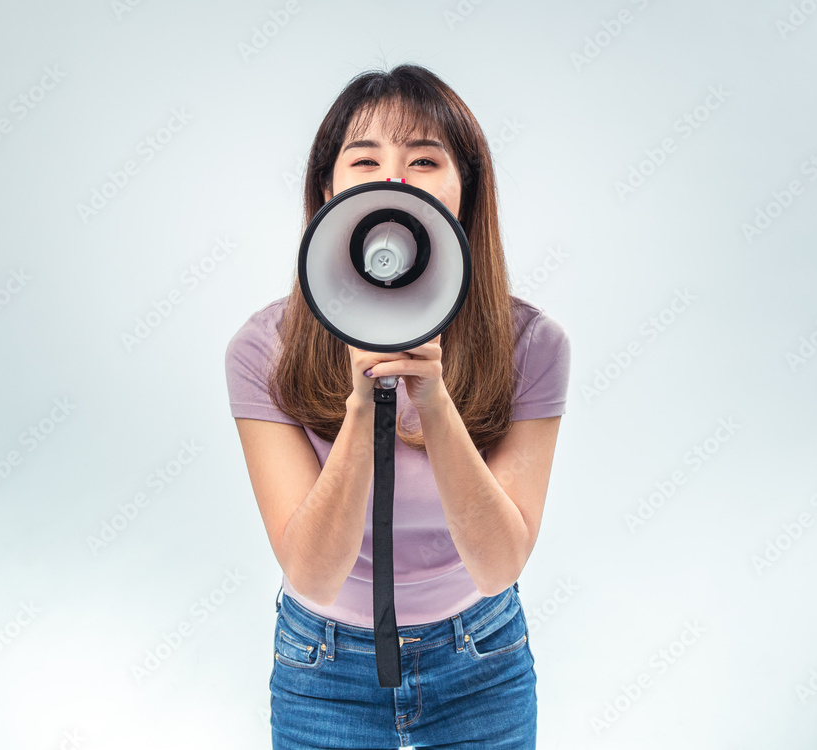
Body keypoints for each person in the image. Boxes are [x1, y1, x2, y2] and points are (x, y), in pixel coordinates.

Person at [225, 63, 570, 750]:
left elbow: (500, 563)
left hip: (482, 665)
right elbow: (314, 571)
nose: (395, 180)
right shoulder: (262, 350)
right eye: (365, 160)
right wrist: (362, 407)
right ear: (326, 189)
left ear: (467, 190)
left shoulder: (531, 345)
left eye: (423, 159)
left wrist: (433, 400)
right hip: (323, 669)